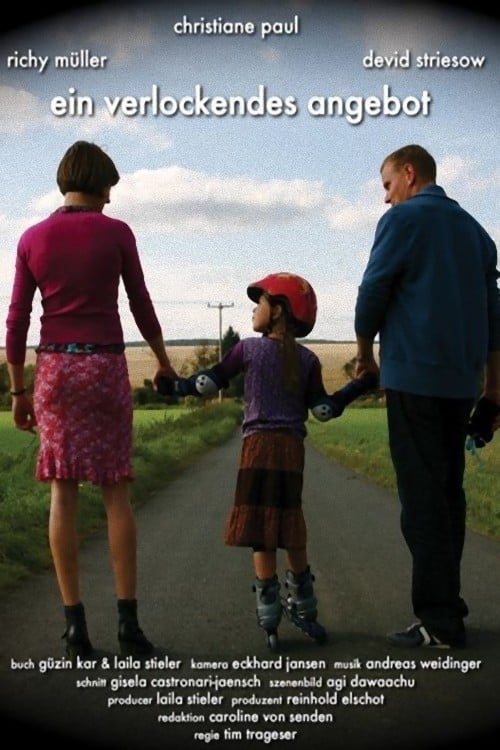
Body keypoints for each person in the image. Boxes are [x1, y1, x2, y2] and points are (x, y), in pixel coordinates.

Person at [5, 140, 178, 661]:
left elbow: (16, 320)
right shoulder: (117, 232)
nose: (110, 200)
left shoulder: (32, 238)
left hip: (55, 371)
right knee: (115, 492)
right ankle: (129, 627)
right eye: (109, 190)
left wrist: (17, 390)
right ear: (101, 184)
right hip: (104, 367)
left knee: (63, 492)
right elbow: (140, 302)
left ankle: (75, 630)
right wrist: (163, 361)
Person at [354, 144, 500, 648]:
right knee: (447, 496)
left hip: (413, 380)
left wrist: (364, 353)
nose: (386, 197)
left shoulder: (402, 221)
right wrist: (494, 389)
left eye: (387, 185)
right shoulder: (478, 235)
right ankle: (448, 608)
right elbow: (496, 319)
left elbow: (372, 290)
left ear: (409, 174)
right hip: (461, 387)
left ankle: (439, 621)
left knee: (422, 503)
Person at [159, 272, 334, 649]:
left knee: (260, 528)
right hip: (291, 450)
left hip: (256, 447)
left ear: (278, 311)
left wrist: (174, 386)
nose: (253, 310)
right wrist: (361, 386)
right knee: (290, 522)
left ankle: (269, 613)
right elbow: (322, 408)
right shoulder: (308, 360)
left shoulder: (248, 350)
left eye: (260, 303)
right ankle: (304, 605)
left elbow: (209, 382)